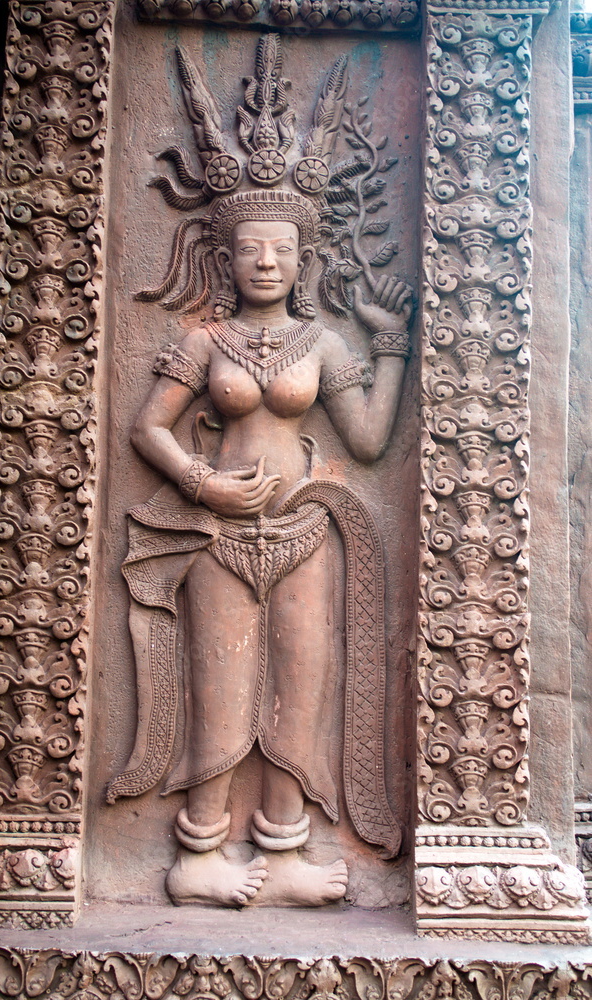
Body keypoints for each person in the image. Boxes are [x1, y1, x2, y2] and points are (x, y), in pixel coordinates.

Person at [108, 187, 411, 907]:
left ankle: (283, 849)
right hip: (217, 536)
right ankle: (201, 853)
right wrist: (203, 483)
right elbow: (147, 429)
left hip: (306, 533)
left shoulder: (325, 343)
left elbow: (368, 441)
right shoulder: (205, 341)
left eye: (279, 249)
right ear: (225, 260)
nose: (265, 262)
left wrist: (391, 341)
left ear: (303, 261)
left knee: (301, 688)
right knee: (221, 689)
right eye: (249, 249)